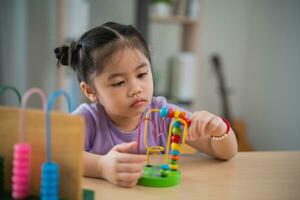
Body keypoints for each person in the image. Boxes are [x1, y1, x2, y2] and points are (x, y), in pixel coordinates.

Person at [54, 22, 238, 188]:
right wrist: (101, 167)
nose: (135, 89)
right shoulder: (89, 119)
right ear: (90, 91)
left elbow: (226, 153)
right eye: (119, 82)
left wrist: (219, 129)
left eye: (142, 74)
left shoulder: (164, 115)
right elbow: (58, 155)